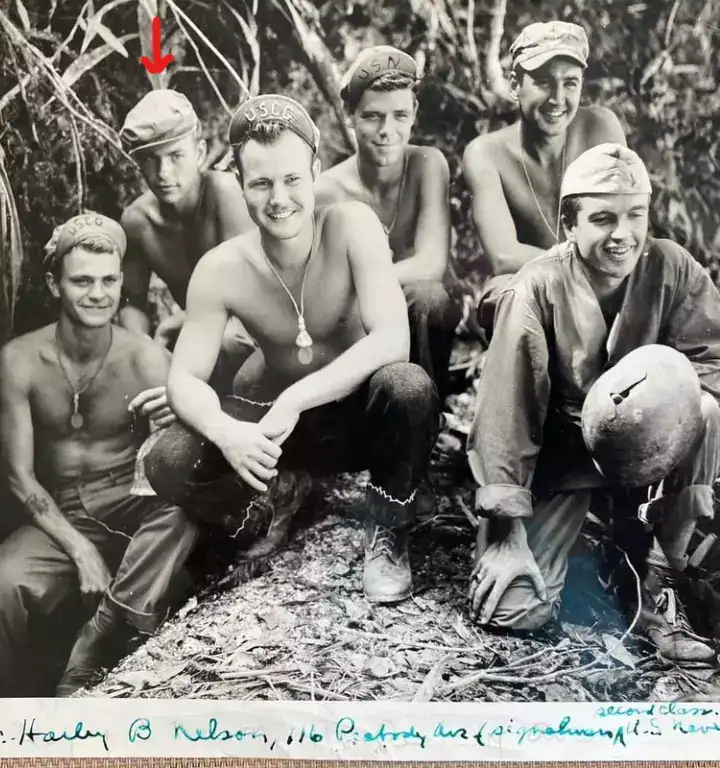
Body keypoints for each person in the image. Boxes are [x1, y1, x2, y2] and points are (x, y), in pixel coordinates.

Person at [134, 95, 442, 605]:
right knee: (167, 459)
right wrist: (225, 431)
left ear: (315, 170)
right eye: (261, 183)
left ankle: (389, 525)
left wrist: (296, 398)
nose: (279, 198)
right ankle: (265, 504)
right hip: (282, 439)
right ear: (238, 181)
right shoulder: (221, 268)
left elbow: (393, 338)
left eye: (292, 180)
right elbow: (184, 379)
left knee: (409, 387)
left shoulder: (351, 224)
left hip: (357, 418)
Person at [466, 144, 720, 664]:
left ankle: (661, 571)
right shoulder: (538, 288)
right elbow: (506, 414)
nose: (623, 234)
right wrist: (506, 531)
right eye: (602, 218)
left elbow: (711, 356)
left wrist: (659, 408)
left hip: (645, 458)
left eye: (635, 215)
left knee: (703, 411)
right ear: (570, 222)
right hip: (560, 460)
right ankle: (593, 542)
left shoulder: (670, 268)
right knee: (515, 611)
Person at [0, 213, 200, 698]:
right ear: (55, 284)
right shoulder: (20, 360)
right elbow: (18, 475)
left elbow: (187, 457)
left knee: (184, 510)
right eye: (82, 281)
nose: (98, 294)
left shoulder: (146, 358)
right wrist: (81, 551)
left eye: (109, 280)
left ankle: (104, 634)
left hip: (136, 504)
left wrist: (177, 419)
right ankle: (6, 717)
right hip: (63, 513)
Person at [308, 45, 460, 399]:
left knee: (430, 298)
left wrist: (363, 278)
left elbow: (431, 265)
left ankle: (432, 417)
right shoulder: (326, 191)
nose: (386, 130)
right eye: (372, 116)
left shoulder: (428, 164)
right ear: (350, 115)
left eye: (399, 115)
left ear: (414, 113)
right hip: (357, 325)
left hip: (414, 313)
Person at [461, 20, 627, 339]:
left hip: (604, 279)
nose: (557, 98)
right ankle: (527, 386)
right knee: (502, 296)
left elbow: (628, 224)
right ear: (514, 85)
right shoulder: (485, 153)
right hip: (534, 282)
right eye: (543, 82)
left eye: (570, 83)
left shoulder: (601, 128)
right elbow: (503, 256)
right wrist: (584, 266)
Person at [117, 89, 257, 390]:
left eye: (175, 156)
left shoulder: (226, 195)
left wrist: (170, 325)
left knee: (227, 341)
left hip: (252, 325)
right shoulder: (137, 223)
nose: (163, 173)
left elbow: (242, 294)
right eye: (150, 160)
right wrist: (143, 344)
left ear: (200, 153)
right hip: (197, 331)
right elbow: (131, 303)